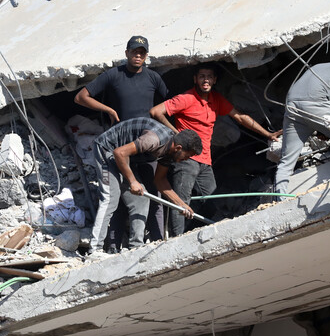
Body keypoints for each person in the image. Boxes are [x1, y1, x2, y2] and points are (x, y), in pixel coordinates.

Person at [150, 66, 282, 236]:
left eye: (209, 77)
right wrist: (177, 135)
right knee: (181, 202)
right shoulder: (186, 98)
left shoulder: (216, 99)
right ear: (195, 79)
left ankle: (203, 233)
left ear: (214, 80)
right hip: (186, 159)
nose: (206, 80)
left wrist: (268, 134)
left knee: (212, 199)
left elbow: (240, 117)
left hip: (205, 161)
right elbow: (155, 112)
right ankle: (177, 239)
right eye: (202, 76)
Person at [74, 35, 169, 248]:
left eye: (142, 52)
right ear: (126, 53)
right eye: (134, 51)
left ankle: (156, 242)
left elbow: (168, 106)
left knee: (152, 195)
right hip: (118, 147)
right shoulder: (113, 75)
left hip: (146, 146)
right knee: (114, 200)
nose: (138, 55)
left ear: (146, 55)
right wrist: (107, 109)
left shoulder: (153, 78)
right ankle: (112, 246)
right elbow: (81, 97)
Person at [89, 117, 202, 258]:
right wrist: (132, 181)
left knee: (141, 200)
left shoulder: (169, 153)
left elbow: (160, 181)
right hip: (108, 149)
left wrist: (181, 205)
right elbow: (119, 152)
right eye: (187, 156)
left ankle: (135, 248)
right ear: (178, 148)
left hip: (124, 158)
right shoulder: (154, 140)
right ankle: (95, 249)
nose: (185, 160)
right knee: (111, 197)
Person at [274, 54, 330, 196]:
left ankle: (279, 197)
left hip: (292, 106)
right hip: (316, 103)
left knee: (286, 161)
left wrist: (321, 128)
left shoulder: (323, 68)